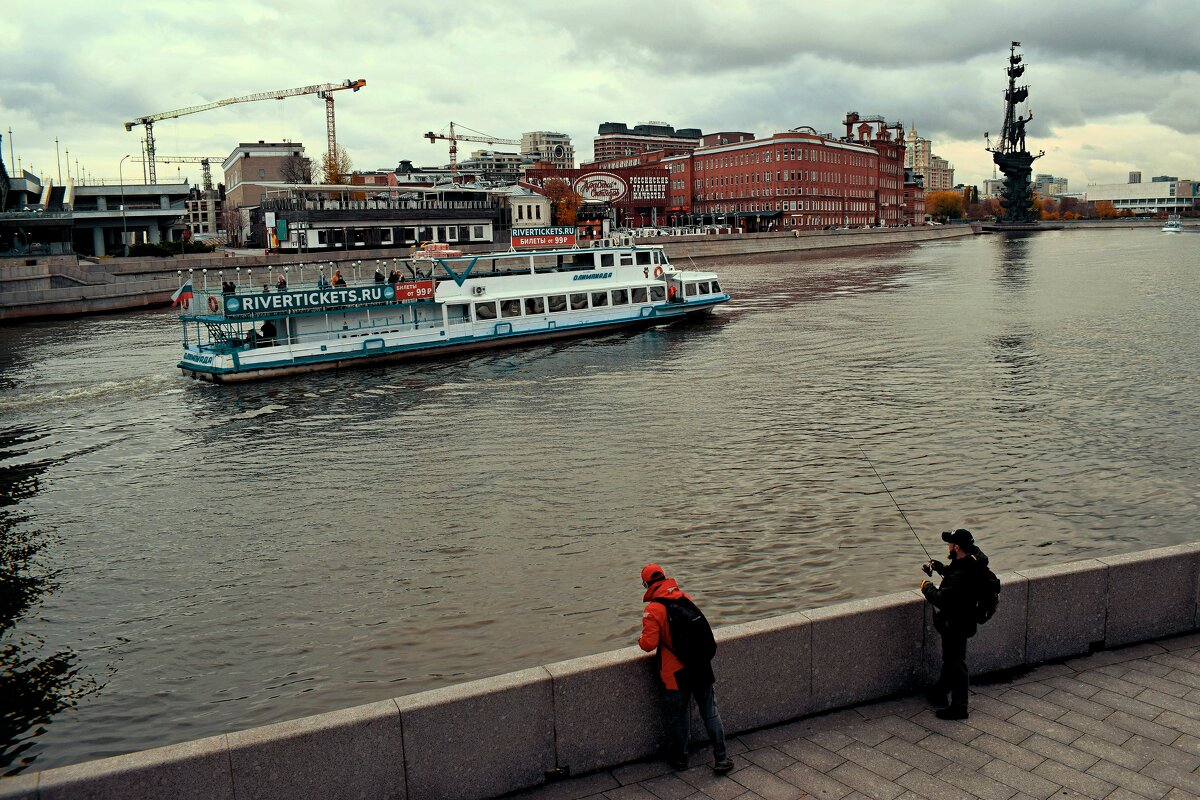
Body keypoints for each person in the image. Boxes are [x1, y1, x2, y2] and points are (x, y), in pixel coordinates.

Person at [638, 564, 733, 774]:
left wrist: (640, 639)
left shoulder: (653, 609)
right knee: (710, 713)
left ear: (646, 584)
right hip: (701, 667)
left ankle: (681, 760)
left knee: (679, 717)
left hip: (675, 674)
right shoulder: (684, 598)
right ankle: (722, 758)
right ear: (664, 577)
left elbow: (648, 644)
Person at [920, 529, 990, 720]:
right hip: (965, 620)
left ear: (957, 547)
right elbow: (956, 576)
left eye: (950, 544)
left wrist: (926, 587)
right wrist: (941, 568)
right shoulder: (971, 562)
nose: (948, 546)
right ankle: (939, 692)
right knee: (952, 658)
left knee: (956, 663)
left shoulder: (961, 573)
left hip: (955, 623)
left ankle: (959, 707)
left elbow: (943, 599)